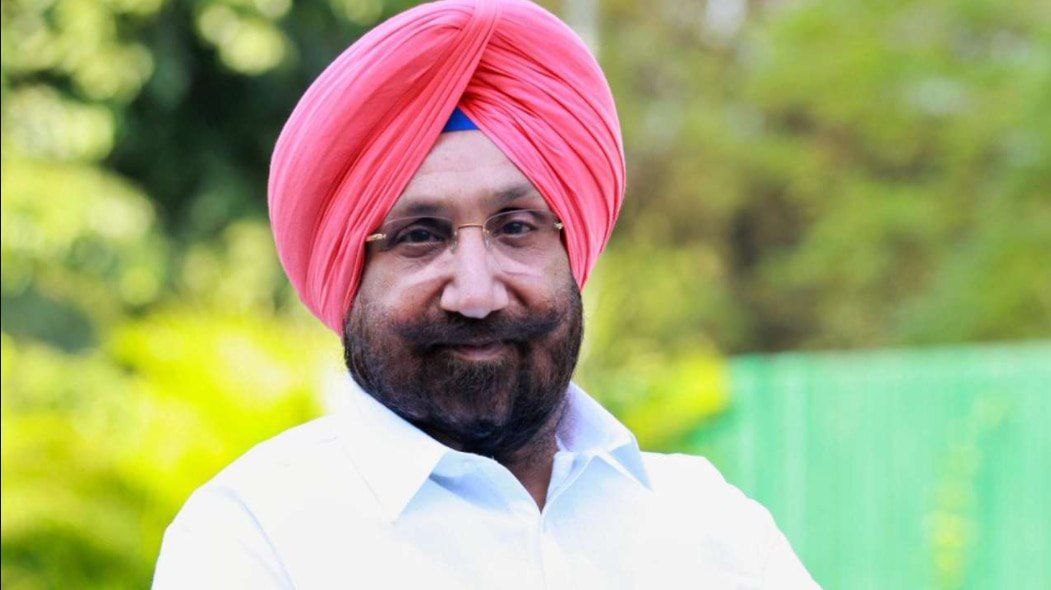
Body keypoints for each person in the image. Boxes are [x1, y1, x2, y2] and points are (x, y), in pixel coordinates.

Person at [152, 0, 817, 587]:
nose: (475, 293)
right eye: (419, 235)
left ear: (570, 247)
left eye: (517, 227)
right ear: (347, 273)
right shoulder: (255, 538)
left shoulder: (710, 524)